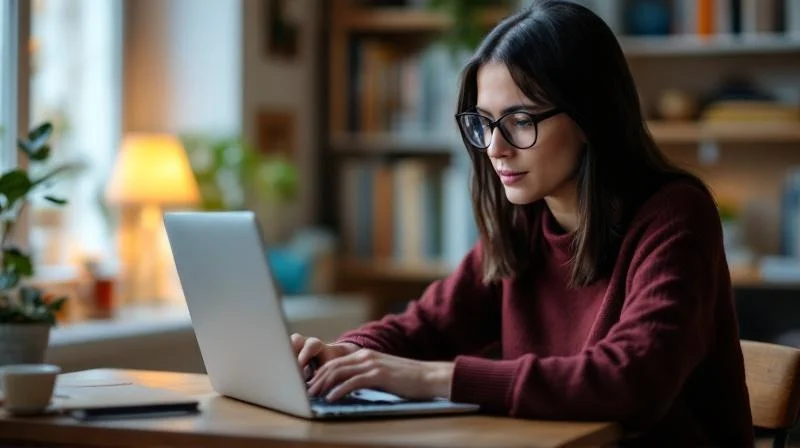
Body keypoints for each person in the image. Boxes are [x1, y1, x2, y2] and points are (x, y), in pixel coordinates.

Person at [293, 0, 754, 445]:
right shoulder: (525, 222)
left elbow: (632, 380)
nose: (494, 147)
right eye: (484, 123)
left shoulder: (675, 215)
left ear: (590, 117)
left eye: (519, 120)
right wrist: (344, 353)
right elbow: (425, 326)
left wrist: (431, 377)